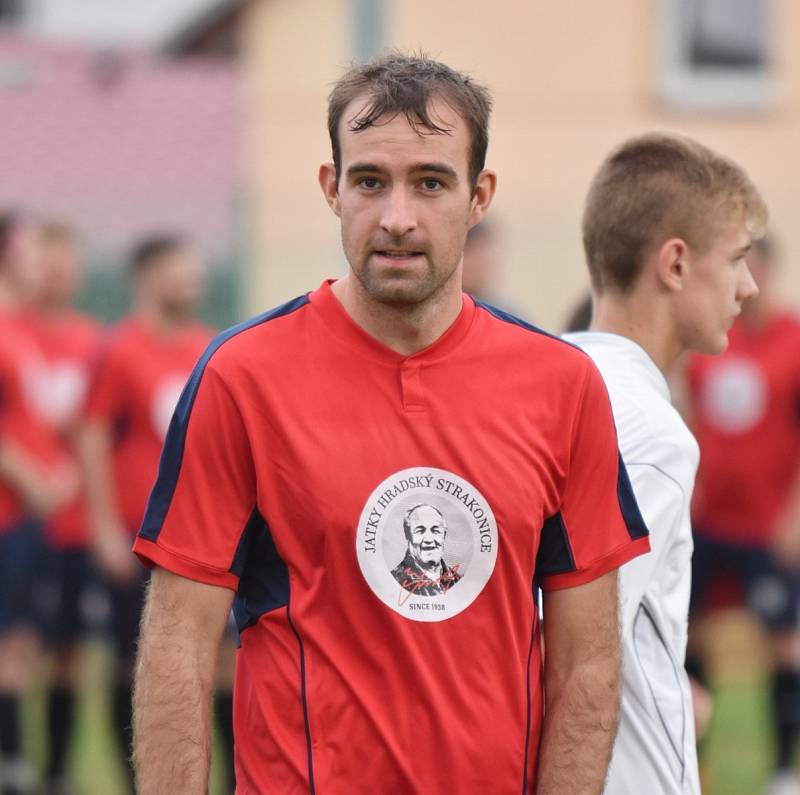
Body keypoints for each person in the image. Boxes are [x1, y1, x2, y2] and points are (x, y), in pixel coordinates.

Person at [132, 53, 650, 794]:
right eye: (370, 181)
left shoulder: (562, 385)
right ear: (331, 189)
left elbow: (588, 661)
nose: (397, 217)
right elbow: (177, 646)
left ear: (479, 196)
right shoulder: (242, 378)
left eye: (431, 183)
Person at [563, 132, 764, 795]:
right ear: (675, 264)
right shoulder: (652, 433)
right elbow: (568, 651)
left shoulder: (549, 381)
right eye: (737, 258)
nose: (749, 285)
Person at [78, 235, 214, 792]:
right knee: (130, 662)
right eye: (180, 270)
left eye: (194, 271)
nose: (191, 282)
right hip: (138, 537)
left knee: (220, 663)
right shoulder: (121, 349)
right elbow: (92, 436)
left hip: (200, 539)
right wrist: (105, 524)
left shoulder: (209, 346)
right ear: (149, 277)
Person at [686, 235, 800, 795]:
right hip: (707, 528)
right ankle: (693, 768)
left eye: (756, 265)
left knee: (783, 644)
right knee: (689, 642)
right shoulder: (713, 342)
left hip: (766, 529)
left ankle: (781, 772)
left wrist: (794, 517)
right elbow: (688, 416)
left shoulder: (793, 342)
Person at [18, 221, 103, 795]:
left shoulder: (92, 341)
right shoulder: (8, 332)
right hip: (17, 521)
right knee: (19, 648)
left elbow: (99, 433)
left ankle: (56, 775)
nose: (57, 274)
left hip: (75, 526)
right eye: (46, 262)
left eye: (66, 263)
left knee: (72, 653)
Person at [0, 212, 77, 795]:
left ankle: (30, 772)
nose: (40, 261)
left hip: (24, 522)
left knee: (25, 648)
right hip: (9, 514)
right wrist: (29, 476)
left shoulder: (18, 330)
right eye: (28, 249)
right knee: (10, 651)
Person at [390, 503, 462, 595]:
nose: (429, 539)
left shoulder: (458, 581)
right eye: (420, 531)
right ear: (408, 535)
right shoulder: (395, 581)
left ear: (444, 535)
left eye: (435, 531)